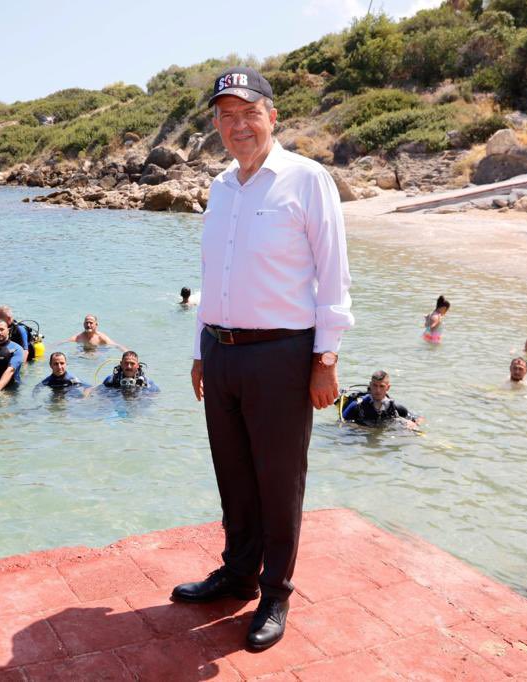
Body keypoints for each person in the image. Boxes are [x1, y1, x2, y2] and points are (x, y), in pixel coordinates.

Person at [173, 66, 353, 652]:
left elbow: (334, 273)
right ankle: (238, 572)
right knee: (233, 473)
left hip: (282, 353)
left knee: (279, 480)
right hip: (220, 350)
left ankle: (275, 591)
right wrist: (199, 349)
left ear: (272, 116)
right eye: (226, 116)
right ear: (216, 125)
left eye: (249, 113)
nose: (239, 125)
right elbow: (213, 274)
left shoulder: (307, 179)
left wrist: (326, 357)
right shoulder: (221, 186)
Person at [340, 371, 419, 427]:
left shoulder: (394, 407)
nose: (378, 390)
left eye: (382, 386)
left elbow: (418, 419)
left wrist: (413, 424)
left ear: (388, 387)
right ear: (370, 385)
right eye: (375, 385)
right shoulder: (357, 406)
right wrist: (364, 429)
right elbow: (341, 423)